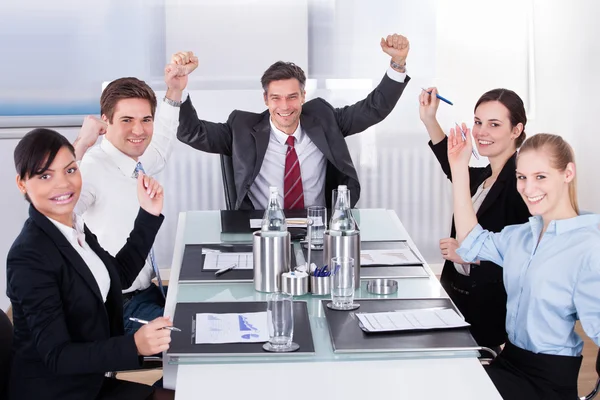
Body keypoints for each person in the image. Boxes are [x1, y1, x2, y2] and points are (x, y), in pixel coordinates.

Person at [7, 129, 175, 400]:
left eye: (70, 170)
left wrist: (148, 214)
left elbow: (118, 276)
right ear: (22, 183)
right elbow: (57, 356)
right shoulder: (28, 257)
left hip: (91, 381)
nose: (63, 184)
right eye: (45, 176)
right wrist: (134, 344)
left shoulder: (74, 227)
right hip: (58, 391)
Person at [174, 33, 411, 210]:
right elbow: (192, 132)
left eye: (292, 97)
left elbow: (373, 109)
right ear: (265, 98)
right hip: (262, 231)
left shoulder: (324, 118)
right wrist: (179, 89)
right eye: (276, 98)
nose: (285, 106)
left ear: (303, 96)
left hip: (319, 228)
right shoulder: (242, 128)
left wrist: (397, 63)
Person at [448, 130, 600, 400]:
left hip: (548, 380)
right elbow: (470, 243)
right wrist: (459, 169)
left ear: (568, 173)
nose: (529, 189)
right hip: (510, 361)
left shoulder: (588, 246)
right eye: (522, 177)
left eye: (540, 177)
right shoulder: (520, 236)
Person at [73, 56, 193, 334]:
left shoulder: (135, 160)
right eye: (127, 120)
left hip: (146, 292)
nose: (138, 130)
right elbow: (58, 211)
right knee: (191, 337)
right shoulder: (91, 167)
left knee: (205, 312)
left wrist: (174, 90)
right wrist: (82, 143)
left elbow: (160, 144)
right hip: (117, 305)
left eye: (145, 119)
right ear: (106, 120)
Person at [419, 88, 531, 350]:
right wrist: (429, 119)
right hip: (457, 296)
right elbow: (455, 168)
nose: (481, 132)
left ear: (516, 130)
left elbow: (525, 261)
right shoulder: (484, 177)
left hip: (488, 312)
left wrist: (472, 255)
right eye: (478, 122)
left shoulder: (522, 185)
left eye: (494, 124)